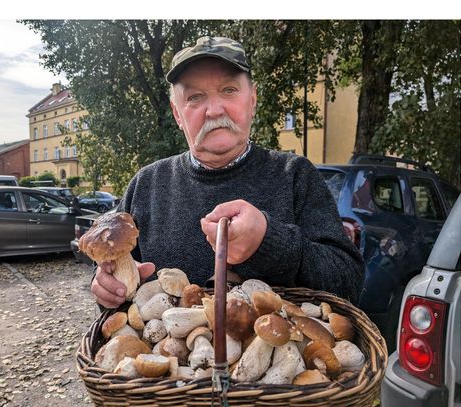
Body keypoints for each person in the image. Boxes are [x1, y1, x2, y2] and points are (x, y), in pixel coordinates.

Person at [91, 36, 364, 309]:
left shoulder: (295, 175)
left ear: (253, 99)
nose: (214, 110)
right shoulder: (146, 185)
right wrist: (107, 288)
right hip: (161, 351)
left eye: (229, 90)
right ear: (177, 113)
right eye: (195, 97)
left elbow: (349, 283)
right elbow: (111, 275)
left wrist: (269, 243)